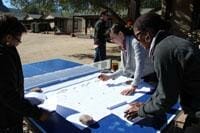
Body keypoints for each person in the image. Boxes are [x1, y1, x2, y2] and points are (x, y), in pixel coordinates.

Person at [124, 13, 200, 132]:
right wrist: (147, 105)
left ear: (147, 35)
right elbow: (163, 86)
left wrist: (141, 111)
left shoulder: (162, 51)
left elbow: (167, 99)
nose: (139, 43)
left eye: (138, 37)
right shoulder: (171, 42)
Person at [0, 14, 50, 132]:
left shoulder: (8, 48)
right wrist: (38, 114)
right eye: (18, 39)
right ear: (8, 37)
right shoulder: (2, 58)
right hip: (6, 122)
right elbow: (8, 96)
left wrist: (22, 91)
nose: (19, 42)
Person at [98, 24, 155, 95]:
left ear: (121, 34)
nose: (112, 41)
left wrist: (134, 86)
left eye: (113, 38)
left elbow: (140, 65)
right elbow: (124, 68)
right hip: (140, 78)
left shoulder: (135, 42)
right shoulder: (123, 46)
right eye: (110, 39)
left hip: (150, 77)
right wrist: (109, 76)